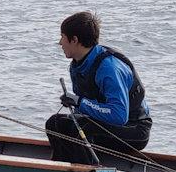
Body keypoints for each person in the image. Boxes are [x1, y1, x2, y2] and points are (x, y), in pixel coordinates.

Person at [46, 12, 152, 164]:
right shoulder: (77, 64)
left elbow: (119, 116)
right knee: (54, 123)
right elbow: (85, 108)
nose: (60, 42)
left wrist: (79, 102)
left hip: (134, 129)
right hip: (104, 124)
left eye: (62, 36)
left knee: (82, 128)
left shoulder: (109, 68)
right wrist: (76, 103)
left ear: (74, 40)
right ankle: (60, 171)